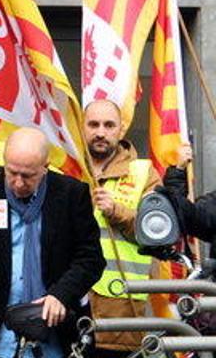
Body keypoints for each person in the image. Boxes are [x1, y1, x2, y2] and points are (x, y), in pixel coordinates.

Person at [0, 127, 105, 358]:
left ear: (45, 168)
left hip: (57, 332)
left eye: (28, 176)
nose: (18, 183)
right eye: (12, 173)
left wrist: (61, 294)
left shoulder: (71, 194)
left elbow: (91, 258)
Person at [83, 99, 161, 356]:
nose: (101, 132)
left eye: (109, 125)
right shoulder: (66, 166)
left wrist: (117, 211)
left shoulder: (143, 173)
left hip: (119, 306)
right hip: (66, 302)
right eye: (93, 124)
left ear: (121, 129)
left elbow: (159, 236)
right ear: (82, 127)